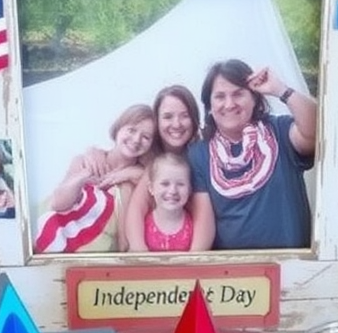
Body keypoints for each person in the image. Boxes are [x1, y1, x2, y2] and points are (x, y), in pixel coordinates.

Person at [187, 59, 317, 250]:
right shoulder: (199, 153)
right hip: (236, 273)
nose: (229, 104)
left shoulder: (280, 131)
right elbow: (204, 223)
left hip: (292, 267)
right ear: (209, 105)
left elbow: (316, 130)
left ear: (255, 98)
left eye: (238, 94)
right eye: (220, 96)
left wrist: (281, 89)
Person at [34, 103, 156, 253]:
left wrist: (130, 173)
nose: (136, 139)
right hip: (49, 238)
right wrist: (84, 176)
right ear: (118, 128)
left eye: (146, 137)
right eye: (131, 130)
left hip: (90, 259)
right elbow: (58, 203)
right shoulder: (85, 160)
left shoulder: (136, 182)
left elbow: (124, 241)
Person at [122, 84, 214, 252]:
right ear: (157, 121)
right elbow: (137, 207)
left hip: (192, 256)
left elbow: (204, 215)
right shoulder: (149, 155)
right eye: (168, 116)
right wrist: (139, 249)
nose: (176, 124)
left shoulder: (200, 156)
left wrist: (193, 262)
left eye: (184, 116)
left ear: (194, 119)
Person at [142, 151, 195, 252]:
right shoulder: (143, 225)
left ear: (190, 189)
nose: (173, 191)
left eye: (180, 184)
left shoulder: (195, 227)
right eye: (165, 184)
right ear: (151, 188)